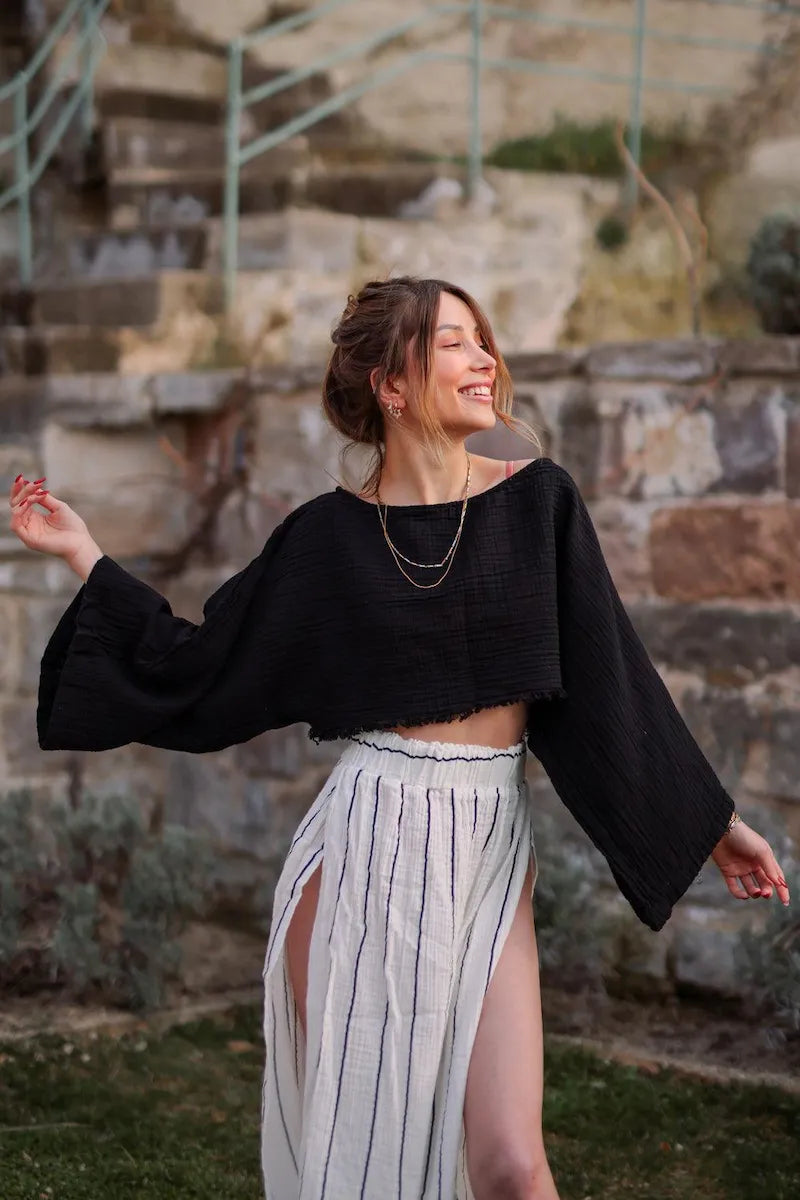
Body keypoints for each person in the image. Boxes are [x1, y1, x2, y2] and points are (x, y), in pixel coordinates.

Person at [8, 275, 790, 1200]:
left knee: (510, 1162)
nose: (485, 358)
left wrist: (711, 823)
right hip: (363, 845)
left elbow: (612, 680)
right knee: (359, 1158)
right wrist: (84, 555)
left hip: (486, 852)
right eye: (455, 342)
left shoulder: (539, 504)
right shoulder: (323, 541)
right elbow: (201, 666)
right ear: (391, 383)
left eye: (483, 340)